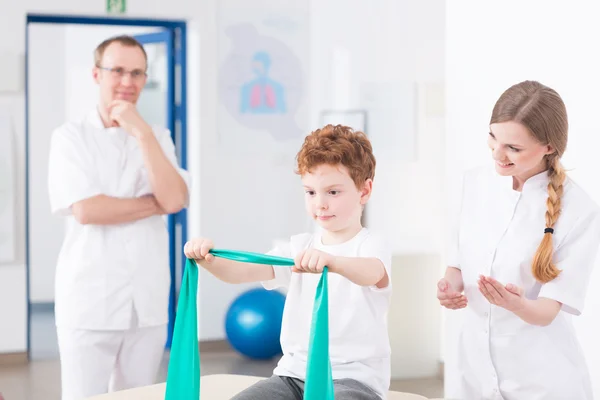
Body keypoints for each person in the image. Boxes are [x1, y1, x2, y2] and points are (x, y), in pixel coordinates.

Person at [184, 125, 392, 400]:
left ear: (364, 191)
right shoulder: (300, 247)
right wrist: (207, 259)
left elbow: (372, 272)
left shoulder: (370, 244)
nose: (320, 204)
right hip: (293, 376)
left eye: (333, 192)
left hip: (352, 380)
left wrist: (333, 261)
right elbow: (243, 271)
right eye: (311, 192)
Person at [47, 35, 191, 400]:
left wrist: (141, 133)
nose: (128, 82)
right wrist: (153, 204)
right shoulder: (70, 137)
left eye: (137, 73)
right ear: (97, 74)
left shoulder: (157, 136)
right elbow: (87, 210)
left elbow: (175, 199)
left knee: (140, 396)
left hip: (147, 299)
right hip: (89, 299)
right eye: (118, 71)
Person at [438, 80, 600, 399]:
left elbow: (547, 311)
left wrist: (515, 304)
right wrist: (448, 288)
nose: (498, 154)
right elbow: (456, 265)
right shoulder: (472, 184)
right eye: (493, 137)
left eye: (513, 147)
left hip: (541, 381)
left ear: (549, 147)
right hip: (472, 375)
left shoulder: (579, 210)